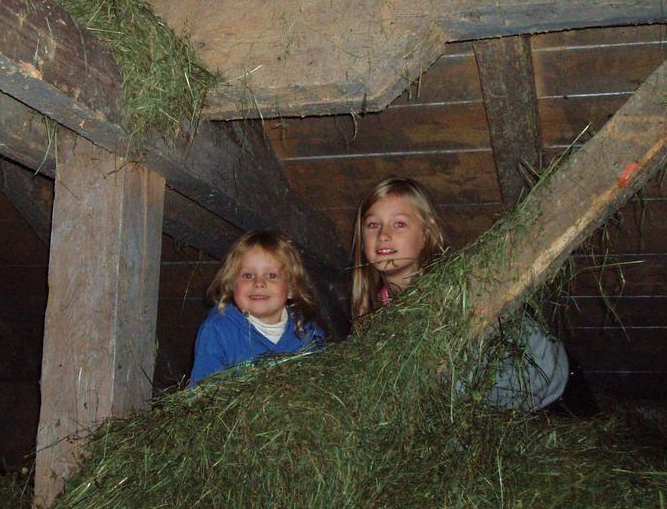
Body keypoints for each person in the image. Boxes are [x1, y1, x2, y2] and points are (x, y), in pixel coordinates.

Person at [351, 176, 568, 412]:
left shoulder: (455, 289)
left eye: (399, 224)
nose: (383, 234)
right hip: (475, 413)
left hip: (540, 376)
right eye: (373, 225)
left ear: (426, 233)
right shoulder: (375, 317)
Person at [189, 230, 325, 388]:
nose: (259, 283)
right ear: (232, 284)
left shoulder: (307, 332)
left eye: (272, 276)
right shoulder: (218, 331)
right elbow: (202, 396)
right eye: (248, 276)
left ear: (291, 288)